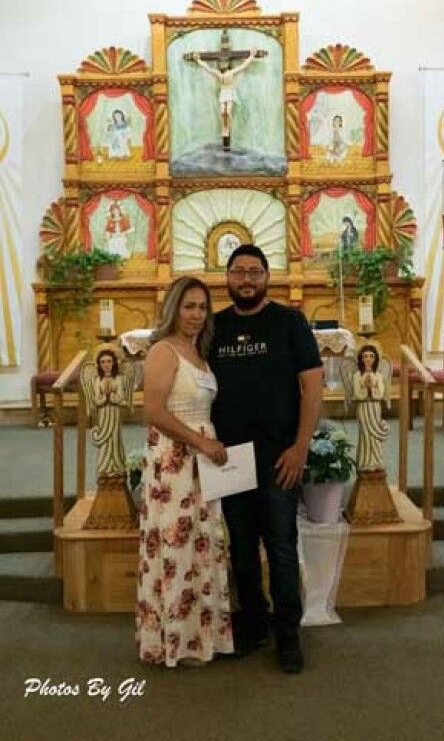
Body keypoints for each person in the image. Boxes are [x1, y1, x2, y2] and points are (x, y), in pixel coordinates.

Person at [209, 244, 324, 673]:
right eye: (238, 271)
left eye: (254, 272)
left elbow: (312, 386)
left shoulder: (289, 322)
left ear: (267, 276)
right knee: (240, 547)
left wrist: (300, 446)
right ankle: (253, 623)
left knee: (280, 545)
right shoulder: (213, 327)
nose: (246, 280)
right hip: (228, 458)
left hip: (280, 456)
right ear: (227, 277)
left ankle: (287, 631)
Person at [136, 277, 234, 667]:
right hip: (176, 460)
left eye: (202, 307)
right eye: (189, 306)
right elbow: (154, 412)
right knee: (175, 544)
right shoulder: (163, 351)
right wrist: (200, 442)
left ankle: (200, 638)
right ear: (174, 307)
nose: (196, 314)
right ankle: (172, 640)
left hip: (202, 457)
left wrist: (209, 444)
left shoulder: (198, 353)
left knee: (202, 542)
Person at [192, 49, 258, 151]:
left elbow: (242, 67)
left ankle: (228, 129)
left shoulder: (231, 72)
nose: (223, 64)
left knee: (228, 112)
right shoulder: (218, 74)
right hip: (223, 93)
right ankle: (224, 129)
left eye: (225, 63)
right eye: (222, 63)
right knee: (223, 112)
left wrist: (252, 56)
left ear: (227, 65)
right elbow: (207, 68)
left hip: (230, 93)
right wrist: (198, 60)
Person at [90, 348, 128, 477]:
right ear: (99, 365)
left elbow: (122, 397)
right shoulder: (97, 380)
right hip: (103, 413)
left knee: (115, 438)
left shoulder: (119, 379)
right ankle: (104, 467)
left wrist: (111, 396)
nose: (106, 365)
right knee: (105, 440)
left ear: (114, 363)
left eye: (109, 361)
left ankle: (117, 466)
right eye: (103, 362)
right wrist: (104, 398)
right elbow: (95, 399)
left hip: (114, 412)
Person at [352, 344, 389, 471]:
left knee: (375, 436)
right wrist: (365, 390)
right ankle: (365, 462)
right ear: (361, 359)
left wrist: (371, 389)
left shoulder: (378, 375)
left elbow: (381, 393)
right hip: (363, 408)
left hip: (374, 408)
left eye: (371, 356)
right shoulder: (357, 375)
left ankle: (377, 461)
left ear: (375, 359)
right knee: (365, 434)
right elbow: (357, 394)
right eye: (365, 356)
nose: (368, 359)